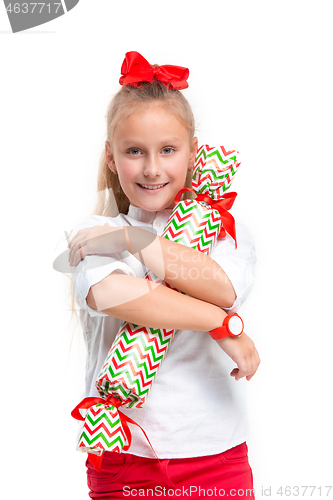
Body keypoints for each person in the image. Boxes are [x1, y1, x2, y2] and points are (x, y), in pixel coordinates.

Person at [66, 51, 260, 499]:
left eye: (168, 150)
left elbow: (221, 286)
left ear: (193, 154)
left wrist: (136, 244)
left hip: (217, 454)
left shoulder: (225, 232)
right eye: (135, 152)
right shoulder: (96, 233)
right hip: (125, 456)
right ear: (111, 158)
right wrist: (220, 324)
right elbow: (117, 294)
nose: (152, 168)